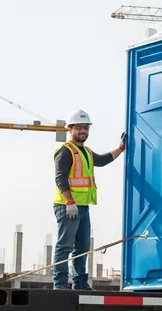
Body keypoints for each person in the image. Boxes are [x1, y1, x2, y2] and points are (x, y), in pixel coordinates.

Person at [52, 109, 125, 290]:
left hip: (83, 206)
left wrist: (121, 148)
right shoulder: (65, 151)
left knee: (82, 247)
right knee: (65, 246)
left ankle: (80, 283)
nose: (83, 131)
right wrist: (69, 202)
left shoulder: (86, 151)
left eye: (86, 128)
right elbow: (60, 178)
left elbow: (102, 160)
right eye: (79, 128)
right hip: (67, 206)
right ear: (70, 129)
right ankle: (60, 284)